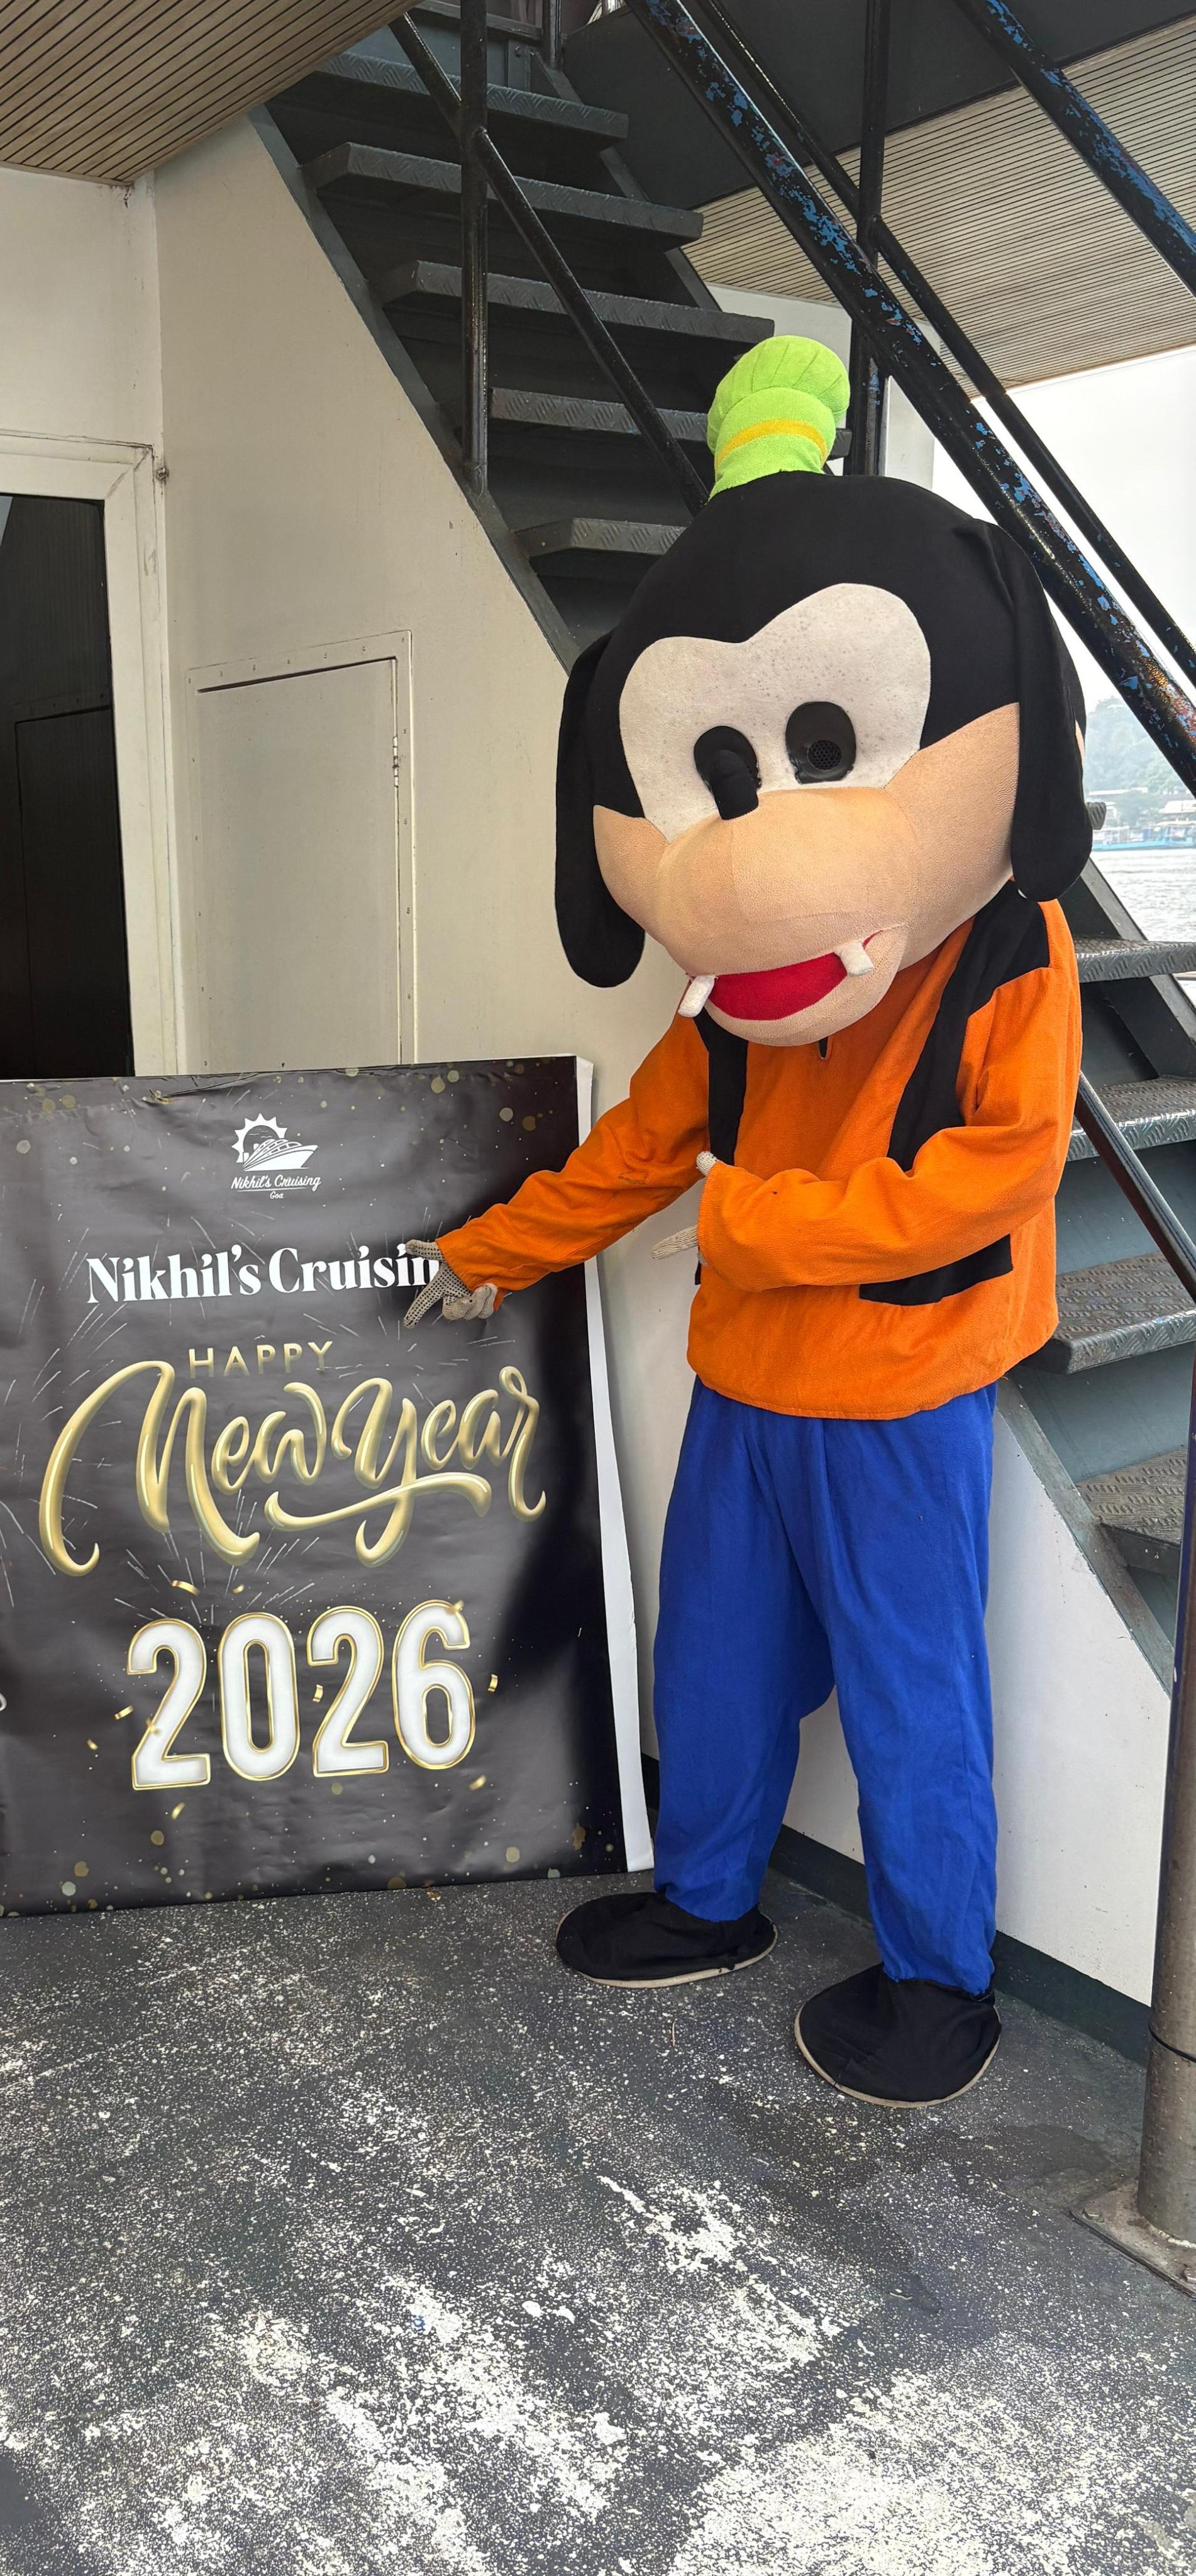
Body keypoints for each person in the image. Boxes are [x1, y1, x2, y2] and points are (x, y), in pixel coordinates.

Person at [407, 338, 1088, 2110]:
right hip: (750, 1379)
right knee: (711, 1657)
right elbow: (641, 1150)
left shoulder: (1006, 949)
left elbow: (999, 1175)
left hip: (904, 1382)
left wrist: (766, 1226)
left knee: (911, 1689)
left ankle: (940, 1980)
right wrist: (489, 1254)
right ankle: (709, 1895)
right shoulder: (734, 1002)